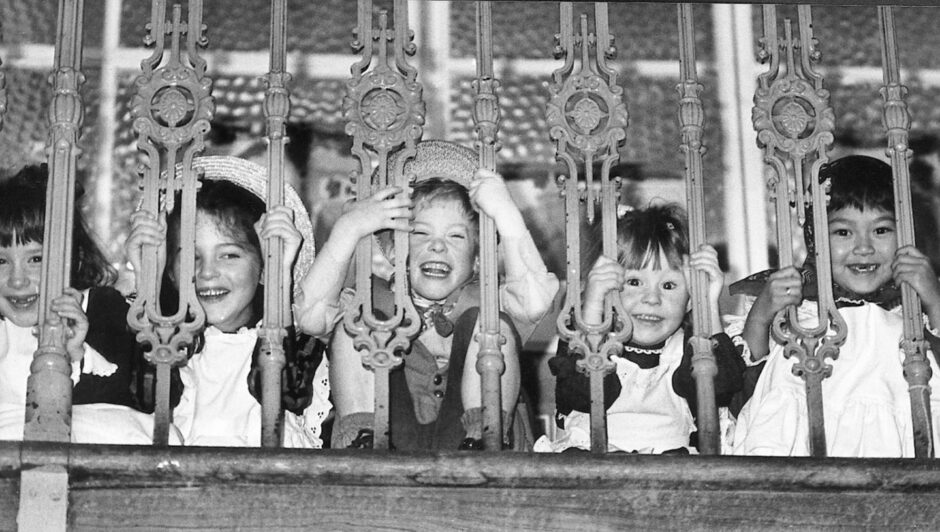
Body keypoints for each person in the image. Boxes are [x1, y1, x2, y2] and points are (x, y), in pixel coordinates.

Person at [296, 140, 559, 450]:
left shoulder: (491, 298)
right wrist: (348, 230)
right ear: (393, 249)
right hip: (389, 442)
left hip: (474, 452)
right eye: (420, 233)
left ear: (477, 257)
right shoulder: (372, 298)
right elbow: (310, 316)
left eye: (456, 236)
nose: (438, 246)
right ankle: (361, 442)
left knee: (489, 323)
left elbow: (535, 300)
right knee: (358, 323)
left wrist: (506, 214)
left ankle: (486, 439)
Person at [729, 155, 940, 457]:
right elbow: (744, 383)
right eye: (843, 232)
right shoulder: (799, 306)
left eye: (881, 230)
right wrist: (762, 314)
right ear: (815, 240)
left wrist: (933, 297)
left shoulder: (912, 305)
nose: (864, 247)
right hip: (806, 449)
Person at [126, 156, 330, 447]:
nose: (207, 272)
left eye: (229, 255)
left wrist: (280, 272)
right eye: (190, 257)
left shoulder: (293, 343)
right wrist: (148, 277)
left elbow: (286, 392)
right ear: (169, 271)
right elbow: (145, 397)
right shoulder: (162, 344)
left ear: (262, 268)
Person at [535, 203, 745, 454]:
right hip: (594, 468)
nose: (652, 299)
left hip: (669, 475)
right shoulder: (586, 339)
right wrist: (593, 306)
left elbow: (722, 391)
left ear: (689, 299)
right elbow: (580, 395)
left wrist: (708, 303)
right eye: (635, 282)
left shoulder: (689, 348)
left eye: (668, 286)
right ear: (608, 291)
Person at [0, 164, 161, 444]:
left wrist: (74, 352)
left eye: (35, 259)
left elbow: (116, 401)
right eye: (1, 261)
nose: (17, 280)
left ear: (73, 259)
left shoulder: (100, 308)